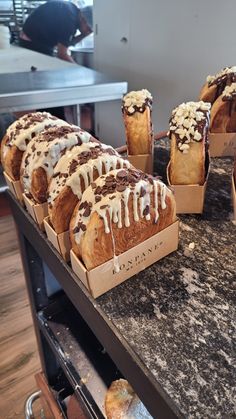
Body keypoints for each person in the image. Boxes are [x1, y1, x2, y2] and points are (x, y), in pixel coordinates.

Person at [19, 0, 93, 62]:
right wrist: (79, 70)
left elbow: (66, 43)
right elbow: (62, 54)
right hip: (32, 43)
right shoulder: (69, 19)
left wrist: (83, 35)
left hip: (39, 40)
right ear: (83, 19)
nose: (88, 31)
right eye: (89, 28)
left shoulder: (74, 12)